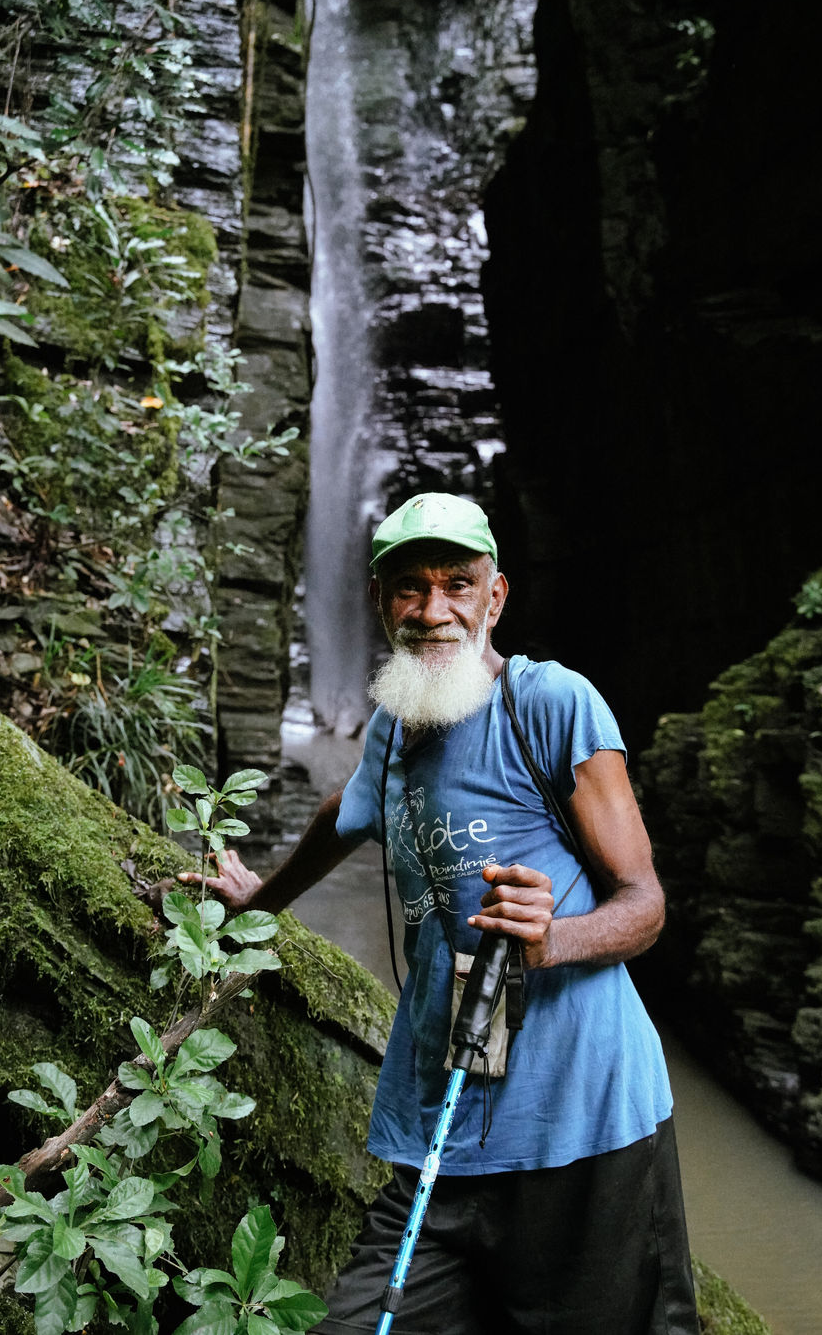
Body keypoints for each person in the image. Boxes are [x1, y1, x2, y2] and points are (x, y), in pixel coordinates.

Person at [179, 492, 700, 1334]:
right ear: (381, 602)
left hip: (587, 1131)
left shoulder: (552, 705)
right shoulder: (394, 721)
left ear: (494, 597)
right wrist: (257, 898)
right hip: (442, 1136)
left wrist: (552, 936)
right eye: (408, 587)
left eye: (457, 582)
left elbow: (644, 906)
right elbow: (340, 815)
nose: (433, 609)